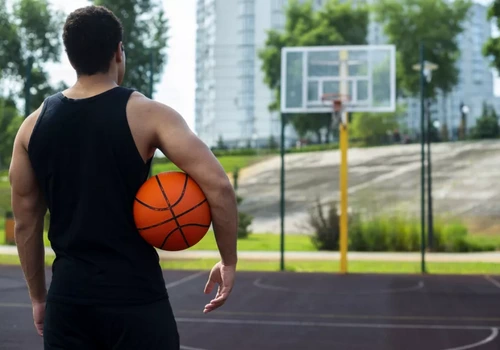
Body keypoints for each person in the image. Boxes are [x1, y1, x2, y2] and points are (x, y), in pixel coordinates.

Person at [8, 5, 238, 350]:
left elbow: (26, 224)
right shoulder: (148, 114)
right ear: (118, 51)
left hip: (69, 302)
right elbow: (218, 185)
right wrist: (228, 259)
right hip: (134, 297)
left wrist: (39, 297)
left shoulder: (31, 127)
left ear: (70, 57)